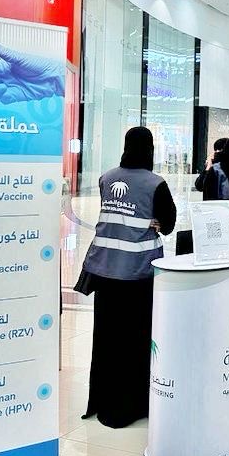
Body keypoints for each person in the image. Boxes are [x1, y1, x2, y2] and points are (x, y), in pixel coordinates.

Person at [74, 127, 177, 428]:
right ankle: (130, 406)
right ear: (150, 149)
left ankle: (103, 402)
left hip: (105, 271)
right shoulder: (155, 183)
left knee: (107, 339)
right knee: (135, 340)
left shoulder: (106, 178)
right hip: (138, 274)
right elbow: (168, 223)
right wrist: (155, 222)